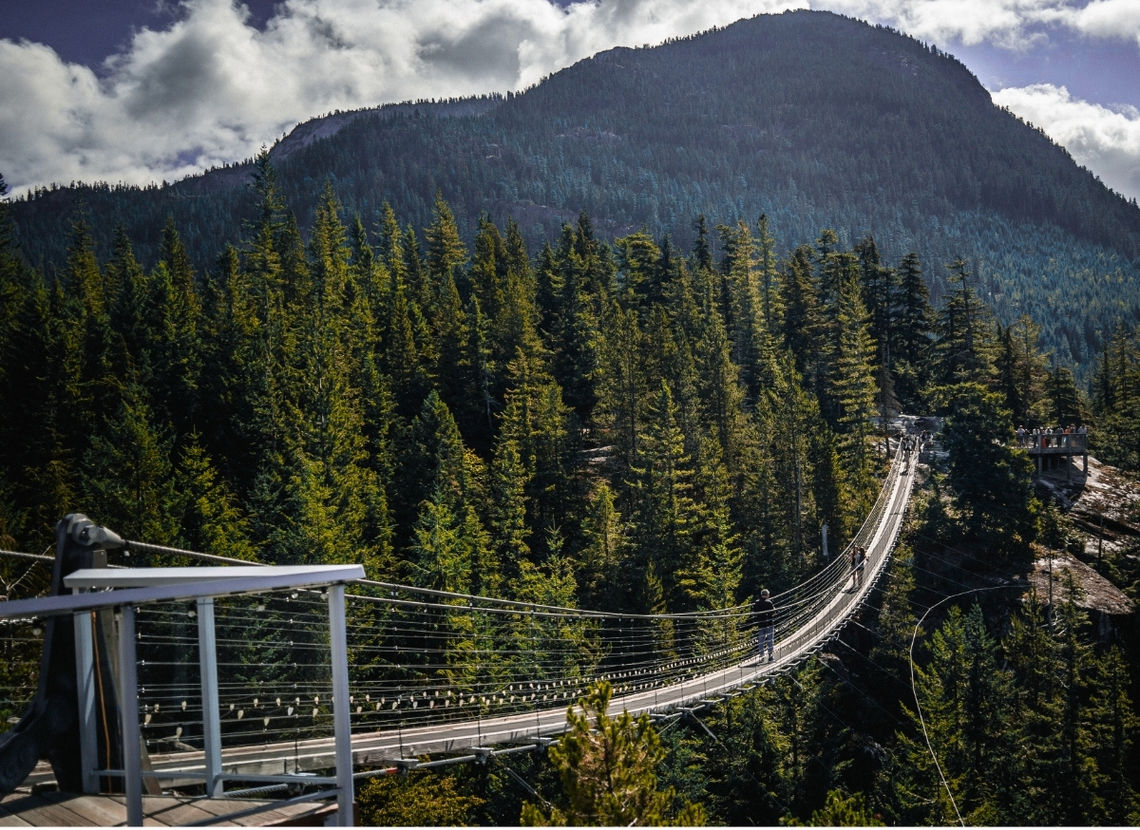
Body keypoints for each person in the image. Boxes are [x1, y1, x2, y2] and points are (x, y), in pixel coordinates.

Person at [754, 589, 776, 663]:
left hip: (760, 624)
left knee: (761, 641)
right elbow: (773, 612)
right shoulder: (769, 602)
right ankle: (770, 656)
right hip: (769, 624)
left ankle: (762, 657)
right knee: (770, 640)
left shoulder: (756, 602)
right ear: (767, 595)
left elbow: (755, 612)